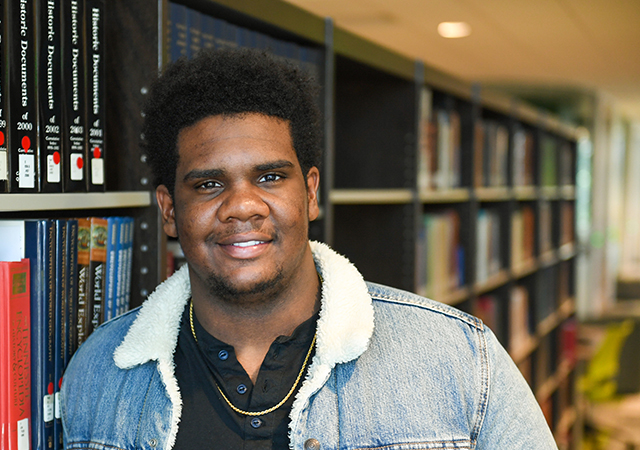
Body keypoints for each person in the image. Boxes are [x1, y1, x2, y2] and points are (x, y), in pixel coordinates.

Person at [61, 48, 557, 450]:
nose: (243, 206)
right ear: (169, 210)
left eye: (270, 177)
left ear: (311, 193)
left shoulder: (460, 359)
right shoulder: (99, 375)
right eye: (209, 185)